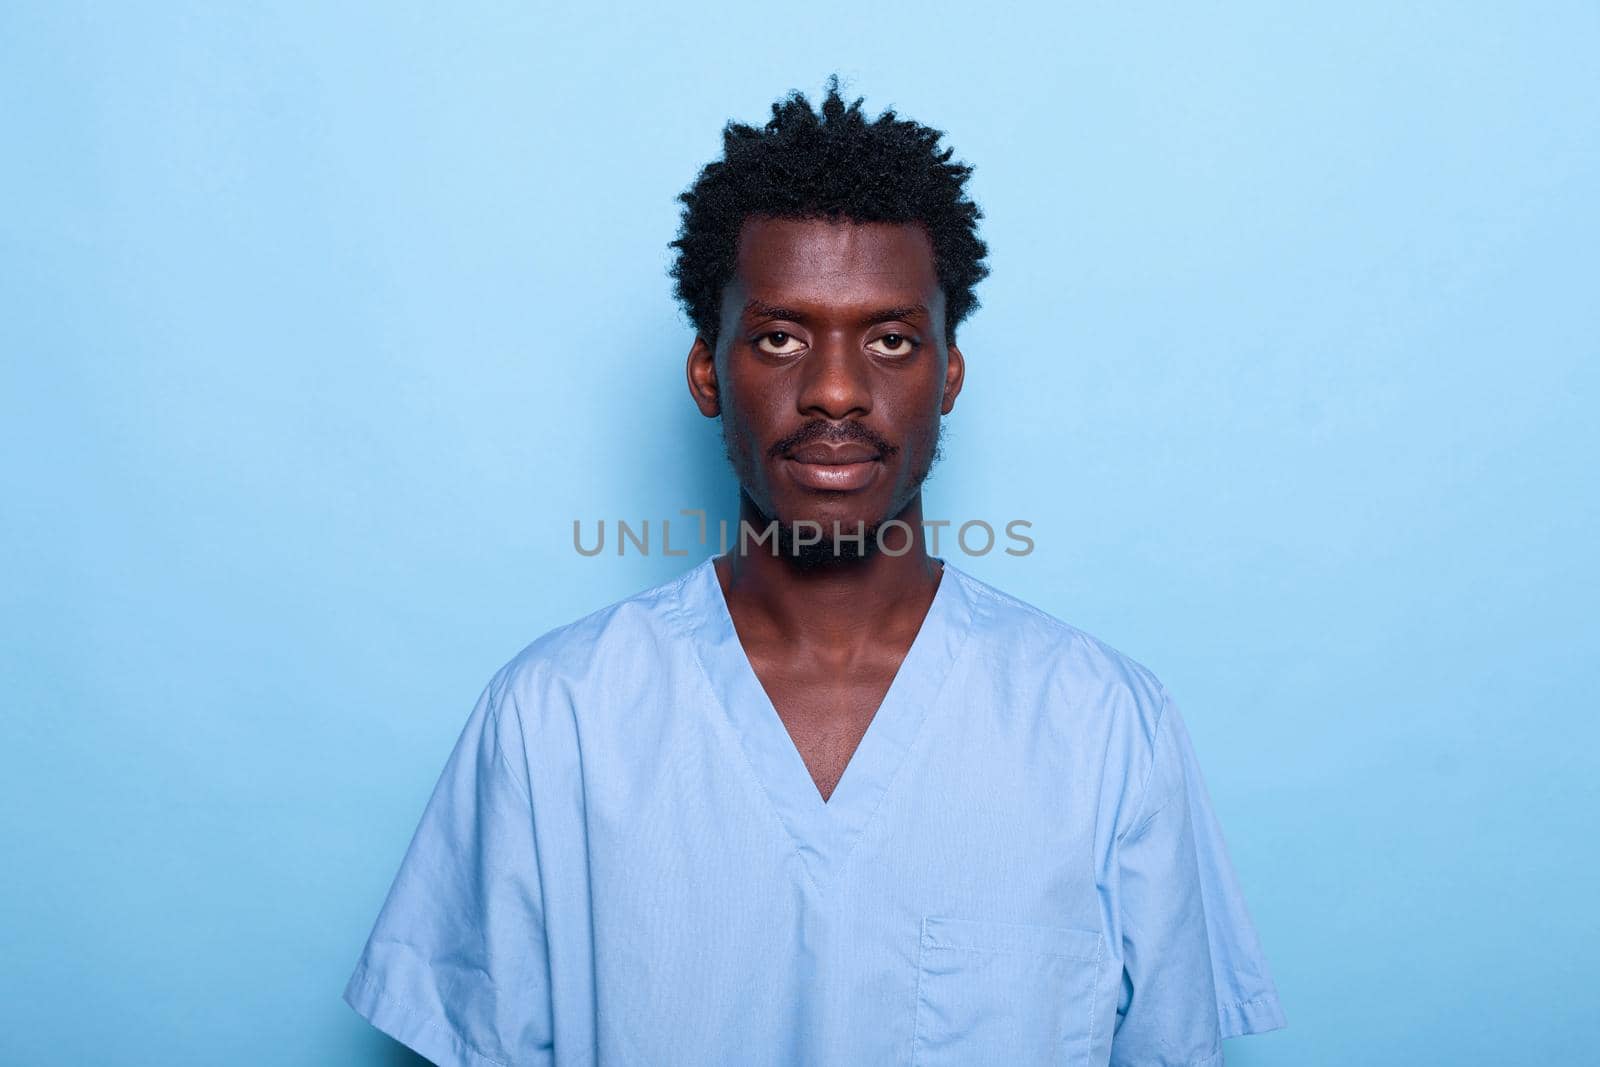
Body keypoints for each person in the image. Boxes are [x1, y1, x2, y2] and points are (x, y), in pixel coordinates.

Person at [344, 77, 1286, 1067]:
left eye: (888, 340)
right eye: (780, 337)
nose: (835, 390)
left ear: (947, 375)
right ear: (708, 372)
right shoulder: (557, 718)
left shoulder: (1100, 723)